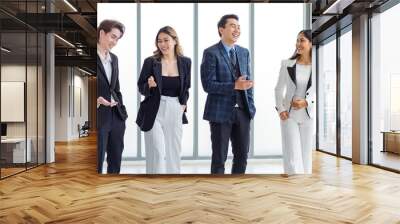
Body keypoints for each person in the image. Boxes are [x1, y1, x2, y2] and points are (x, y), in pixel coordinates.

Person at [200, 14, 256, 174]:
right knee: (219, 159)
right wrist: (234, 86)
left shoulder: (244, 52)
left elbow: (248, 83)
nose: (237, 29)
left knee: (242, 157)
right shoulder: (211, 53)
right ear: (221, 29)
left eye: (238, 27)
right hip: (219, 113)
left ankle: (236, 192)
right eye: (232, 26)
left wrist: (250, 107)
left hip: (243, 112)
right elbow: (208, 85)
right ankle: (218, 194)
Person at [136, 26, 191, 174]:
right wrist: (149, 85)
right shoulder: (150, 62)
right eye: (159, 41)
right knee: (157, 152)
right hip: (154, 109)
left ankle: (173, 186)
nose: (162, 44)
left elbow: (186, 87)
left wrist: (183, 105)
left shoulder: (186, 62)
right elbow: (140, 87)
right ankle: (155, 186)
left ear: (174, 41)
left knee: (174, 151)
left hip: (175, 107)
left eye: (166, 40)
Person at [274, 29, 314, 175]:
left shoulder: (317, 65)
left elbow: (320, 90)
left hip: (309, 116)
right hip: (289, 115)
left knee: (305, 154)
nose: (298, 43)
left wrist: (307, 102)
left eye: (302, 40)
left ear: (311, 43)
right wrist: (280, 109)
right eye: (297, 40)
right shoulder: (287, 64)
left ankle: (304, 185)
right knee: (292, 153)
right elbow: (278, 89)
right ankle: (294, 182)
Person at [97, 19, 128, 174]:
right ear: (102, 33)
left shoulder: (114, 59)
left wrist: (122, 111)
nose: (115, 42)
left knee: (115, 158)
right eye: (113, 37)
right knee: (98, 158)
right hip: (100, 114)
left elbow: (116, 87)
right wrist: (97, 99)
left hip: (116, 115)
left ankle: (114, 190)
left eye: (117, 39)